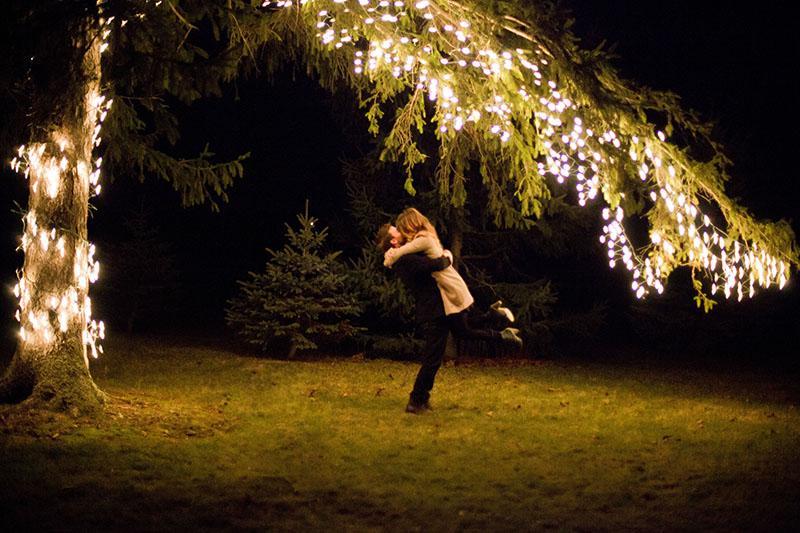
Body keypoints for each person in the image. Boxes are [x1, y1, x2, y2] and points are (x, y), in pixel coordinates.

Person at [376, 219, 521, 414]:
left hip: (439, 307)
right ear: (393, 242)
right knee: (433, 358)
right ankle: (416, 401)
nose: (401, 231)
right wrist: (447, 256)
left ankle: (496, 323)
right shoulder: (405, 260)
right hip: (433, 311)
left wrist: (443, 255)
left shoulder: (406, 254)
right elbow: (437, 264)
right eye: (396, 232)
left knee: (461, 332)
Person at [385, 207, 521, 347]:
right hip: (450, 284)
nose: (402, 232)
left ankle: (499, 328)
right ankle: (494, 317)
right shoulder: (425, 237)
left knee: (463, 330)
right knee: (463, 329)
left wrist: (388, 259)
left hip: (450, 287)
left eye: (402, 228)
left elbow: (403, 251)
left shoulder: (422, 240)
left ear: (410, 224)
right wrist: (447, 255)